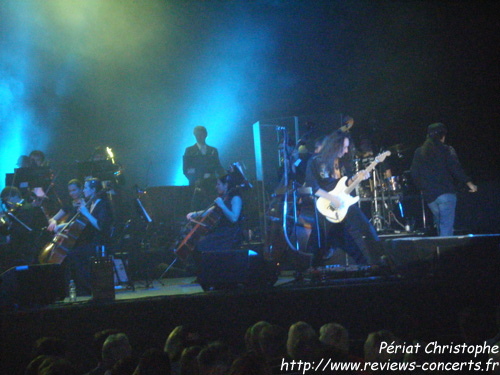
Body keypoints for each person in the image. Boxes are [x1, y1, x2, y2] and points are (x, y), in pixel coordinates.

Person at [305, 130, 383, 267]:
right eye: (344, 147)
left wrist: (357, 178)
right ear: (335, 145)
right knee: (322, 242)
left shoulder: (342, 163)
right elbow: (313, 187)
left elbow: (344, 183)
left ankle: (377, 263)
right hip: (325, 206)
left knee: (366, 228)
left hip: (343, 203)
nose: (346, 151)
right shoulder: (315, 161)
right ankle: (312, 271)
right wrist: (331, 198)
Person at [410, 123, 477, 236]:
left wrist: (423, 188)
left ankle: (439, 250)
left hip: (430, 197)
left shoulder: (419, 152)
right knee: (446, 227)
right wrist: (470, 184)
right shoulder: (447, 150)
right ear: (443, 136)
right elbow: (456, 169)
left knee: (441, 225)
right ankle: (445, 252)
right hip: (445, 193)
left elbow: (414, 173)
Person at [62, 177, 113, 295]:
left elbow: (101, 227)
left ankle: (86, 289)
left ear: (93, 190)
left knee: (74, 255)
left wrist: (86, 213)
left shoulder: (103, 204)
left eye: (85, 188)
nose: (83, 191)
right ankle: (76, 289)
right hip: (91, 241)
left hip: (100, 243)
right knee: (71, 252)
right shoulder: (92, 203)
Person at [186, 173, 243, 253]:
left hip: (229, 235)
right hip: (220, 233)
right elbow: (210, 211)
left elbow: (234, 218)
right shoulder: (223, 198)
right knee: (197, 245)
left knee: (201, 246)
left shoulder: (235, 198)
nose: (216, 187)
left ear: (226, 185)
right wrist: (194, 214)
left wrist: (222, 205)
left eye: (218, 184)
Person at [0, 186, 47, 269]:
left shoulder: (26, 208)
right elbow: (7, 232)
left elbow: (21, 231)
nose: (7, 204)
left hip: (26, 249)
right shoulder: (14, 211)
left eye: (7, 200)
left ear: (15, 196)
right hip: (17, 247)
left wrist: (10, 225)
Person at [183, 126, 225, 210]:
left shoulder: (213, 151)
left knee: (212, 209)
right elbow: (186, 170)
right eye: (197, 135)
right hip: (196, 187)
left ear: (206, 135)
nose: (199, 137)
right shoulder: (189, 150)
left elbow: (218, 167)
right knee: (196, 209)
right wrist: (199, 178)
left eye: (201, 134)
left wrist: (221, 178)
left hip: (211, 187)